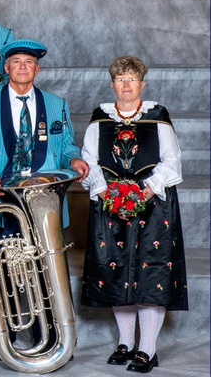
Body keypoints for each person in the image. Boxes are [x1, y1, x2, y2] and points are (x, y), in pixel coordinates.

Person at [0, 40, 90, 360]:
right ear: (6, 67)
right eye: (17, 61)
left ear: (37, 69)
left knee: (48, 269)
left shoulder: (55, 103)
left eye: (29, 62)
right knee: (2, 271)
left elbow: (66, 146)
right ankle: (1, 337)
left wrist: (75, 160)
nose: (23, 67)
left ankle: (53, 336)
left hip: (45, 199)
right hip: (2, 198)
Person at [80, 56, 187, 374]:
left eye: (132, 80)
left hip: (152, 206)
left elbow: (171, 159)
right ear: (112, 84)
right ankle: (126, 343)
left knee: (149, 277)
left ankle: (148, 349)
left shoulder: (157, 115)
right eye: (120, 80)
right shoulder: (101, 116)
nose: (126, 85)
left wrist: (146, 190)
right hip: (110, 203)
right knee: (116, 272)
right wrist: (103, 191)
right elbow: (89, 158)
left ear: (143, 84)